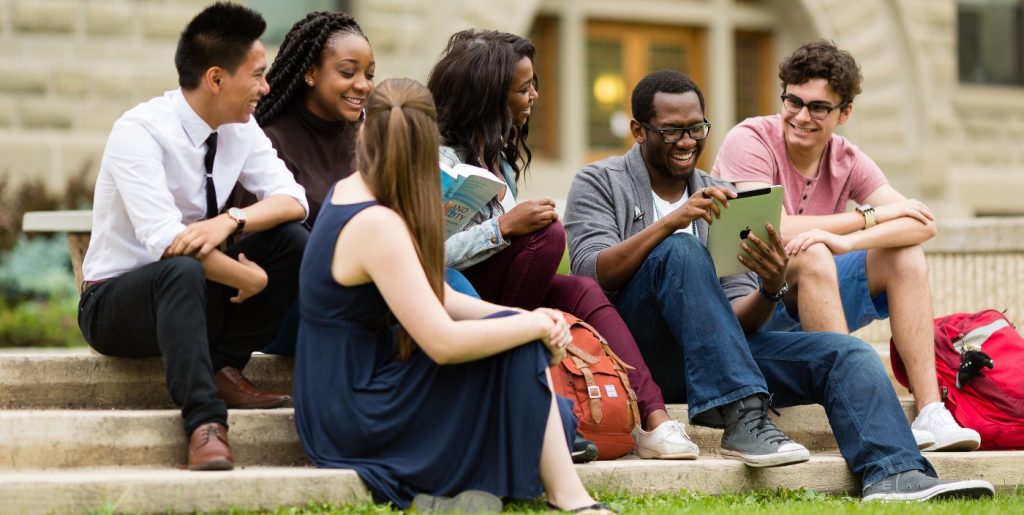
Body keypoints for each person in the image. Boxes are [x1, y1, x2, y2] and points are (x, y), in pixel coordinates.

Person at [564, 69, 994, 500]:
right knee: (681, 251)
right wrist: (673, 223)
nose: (687, 141)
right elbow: (591, 275)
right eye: (672, 130)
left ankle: (895, 473)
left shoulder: (721, 193)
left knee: (846, 354)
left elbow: (734, 320)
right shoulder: (599, 182)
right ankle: (746, 420)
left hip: (714, 360)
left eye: (696, 129)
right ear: (639, 131)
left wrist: (770, 289)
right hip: (637, 356)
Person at [293, 77, 614, 514]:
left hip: (350, 385)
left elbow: (439, 296)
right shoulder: (377, 224)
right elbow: (442, 343)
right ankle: (571, 499)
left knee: (528, 369)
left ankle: (556, 486)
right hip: (355, 408)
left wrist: (527, 319)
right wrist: (532, 325)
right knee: (524, 365)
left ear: (366, 131)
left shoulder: (353, 190)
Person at [426, 28, 697, 460]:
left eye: (534, 84)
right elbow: (420, 258)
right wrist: (504, 228)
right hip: (453, 301)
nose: (534, 95)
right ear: (489, 96)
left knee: (580, 289)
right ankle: (515, 379)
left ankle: (655, 418)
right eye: (523, 88)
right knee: (546, 236)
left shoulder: (498, 159)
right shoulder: (435, 159)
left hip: (503, 293)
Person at [712, 40, 980, 452]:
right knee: (813, 251)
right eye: (793, 101)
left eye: (818, 107)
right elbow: (769, 230)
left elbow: (921, 224)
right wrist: (864, 219)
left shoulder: (847, 158)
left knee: (902, 252)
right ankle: (862, 411)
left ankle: (931, 411)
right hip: (749, 306)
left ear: (844, 112)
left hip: (814, 297)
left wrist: (847, 240)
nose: (801, 116)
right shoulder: (750, 139)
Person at [76, 2, 309, 471]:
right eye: (258, 75)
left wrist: (232, 221)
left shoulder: (240, 128)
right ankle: (205, 424)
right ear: (216, 78)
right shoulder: (139, 131)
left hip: (195, 290)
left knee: (293, 240)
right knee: (179, 269)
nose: (266, 88)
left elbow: (294, 198)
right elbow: (166, 242)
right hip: (116, 302)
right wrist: (250, 280)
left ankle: (222, 365)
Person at [229, 12, 475, 355]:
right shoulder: (267, 143)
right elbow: (255, 245)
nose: (362, 84)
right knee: (442, 293)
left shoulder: (365, 139)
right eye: (347, 72)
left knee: (450, 284)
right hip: (295, 308)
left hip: (370, 286)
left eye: (369, 75)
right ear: (311, 73)